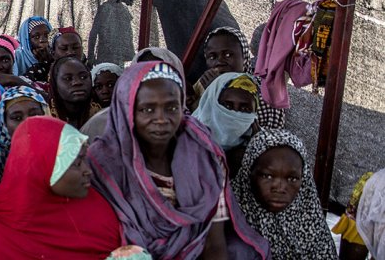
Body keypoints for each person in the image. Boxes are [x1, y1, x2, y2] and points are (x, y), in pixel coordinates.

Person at [88, 61, 269, 259]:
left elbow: (214, 239)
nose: (161, 119)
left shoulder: (203, 153)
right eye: (147, 109)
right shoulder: (104, 163)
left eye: (171, 107)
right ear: (127, 109)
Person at [0, 117, 124, 258]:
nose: (87, 170)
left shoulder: (94, 204)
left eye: (84, 159)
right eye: (77, 163)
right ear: (43, 169)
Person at [233, 129, 337, 259]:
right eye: (267, 176)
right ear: (248, 173)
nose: (280, 188)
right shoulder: (227, 218)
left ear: (304, 179)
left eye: (292, 178)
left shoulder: (311, 224)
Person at [0, 86, 48, 193]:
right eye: (17, 118)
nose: (27, 123)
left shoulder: (59, 147)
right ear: (4, 122)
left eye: (34, 115)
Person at [191, 72, 260, 171]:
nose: (235, 113)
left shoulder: (258, 145)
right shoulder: (187, 137)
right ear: (212, 105)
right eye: (227, 106)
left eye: (244, 108)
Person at [48, 57, 98, 127]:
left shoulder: (100, 116)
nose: (77, 82)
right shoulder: (45, 116)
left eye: (83, 77)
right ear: (55, 84)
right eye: (68, 78)